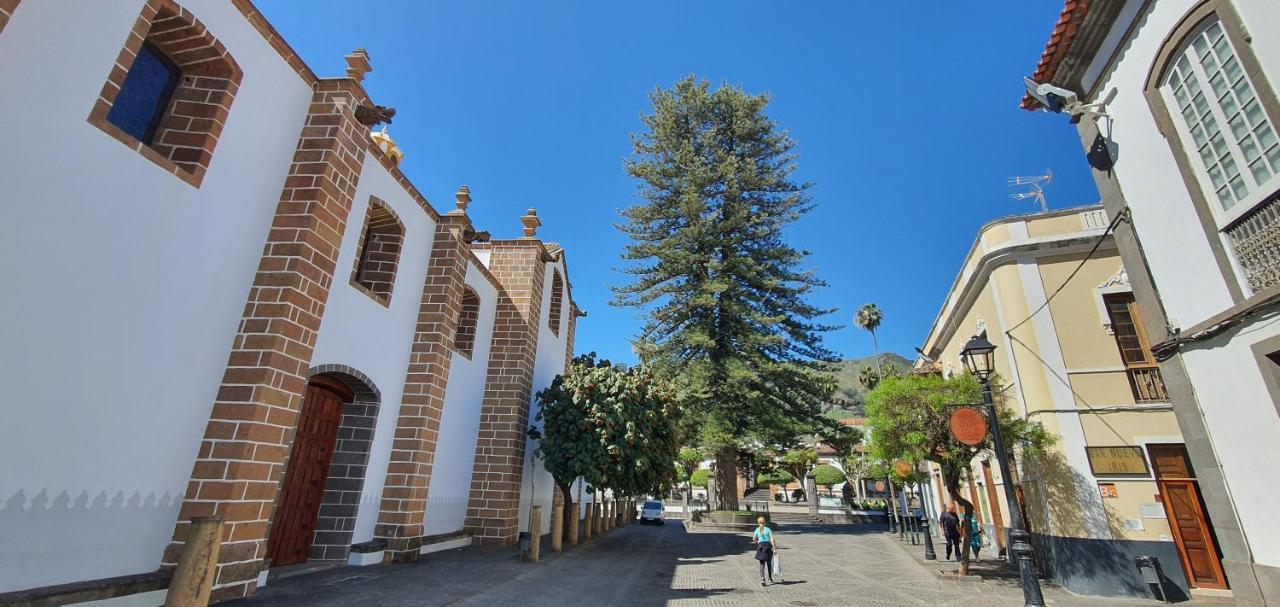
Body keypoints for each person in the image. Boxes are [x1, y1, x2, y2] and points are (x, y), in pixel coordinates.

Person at [752, 516, 777, 586]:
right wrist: (774, 548)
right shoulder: (768, 529)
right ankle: (769, 578)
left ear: (758, 522)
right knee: (769, 563)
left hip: (760, 546)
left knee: (761, 564)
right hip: (768, 546)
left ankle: (762, 579)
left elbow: (753, 538)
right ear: (764, 522)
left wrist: (758, 543)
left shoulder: (757, 530)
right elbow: (772, 539)